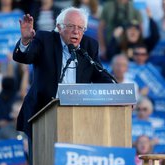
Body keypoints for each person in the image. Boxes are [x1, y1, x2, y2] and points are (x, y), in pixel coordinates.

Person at [13, 7, 114, 138]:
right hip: (41, 113)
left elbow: (99, 74)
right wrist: (25, 41)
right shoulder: (45, 39)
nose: (76, 32)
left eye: (80, 28)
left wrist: (119, 92)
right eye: (71, 26)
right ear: (59, 27)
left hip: (77, 116)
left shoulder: (89, 45)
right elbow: (24, 58)